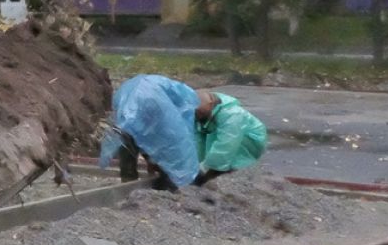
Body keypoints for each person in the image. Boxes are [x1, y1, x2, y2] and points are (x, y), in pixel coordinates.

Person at [100, 74, 267, 188]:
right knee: (132, 137)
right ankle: (129, 182)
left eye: (199, 114)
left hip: (247, 143)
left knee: (222, 155)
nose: (195, 117)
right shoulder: (140, 111)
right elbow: (190, 140)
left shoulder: (232, 116)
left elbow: (225, 146)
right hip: (140, 106)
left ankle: (225, 172)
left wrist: (201, 172)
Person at [193, 88, 268, 183]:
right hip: (226, 133)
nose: (197, 116)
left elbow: (227, 143)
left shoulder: (232, 114)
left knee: (226, 147)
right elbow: (197, 140)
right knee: (207, 142)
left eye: (201, 113)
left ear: (211, 105)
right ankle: (213, 166)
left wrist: (204, 169)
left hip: (249, 138)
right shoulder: (198, 112)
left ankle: (226, 169)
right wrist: (196, 165)